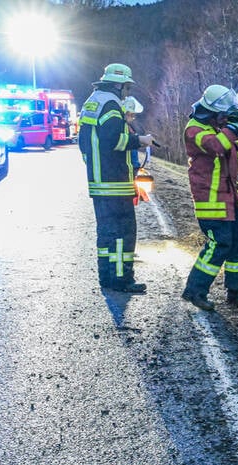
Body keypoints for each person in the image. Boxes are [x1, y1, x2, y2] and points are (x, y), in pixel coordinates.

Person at [180, 84, 238, 311]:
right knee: (219, 244)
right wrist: (232, 127)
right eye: (225, 114)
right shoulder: (194, 130)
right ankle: (195, 291)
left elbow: (235, 155)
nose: (228, 118)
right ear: (213, 111)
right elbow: (217, 147)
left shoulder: (222, 127)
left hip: (231, 198)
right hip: (211, 200)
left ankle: (235, 292)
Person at [78, 63, 153, 294]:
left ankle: (107, 278)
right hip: (115, 182)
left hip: (99, 181)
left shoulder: (92, 102)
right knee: (123, 233)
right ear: (119, 85)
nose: (127, 92)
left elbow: (85, 143)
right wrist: (140, 140)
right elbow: (114, 140)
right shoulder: (111, 104)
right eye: (127, 88)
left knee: (106, 234)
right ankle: (122, 280)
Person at [122, 96, 144, 176]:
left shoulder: (129, 127)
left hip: (131, 167)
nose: (133, 117)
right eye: (131, 114)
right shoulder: (122, 127)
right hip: (128, 169)